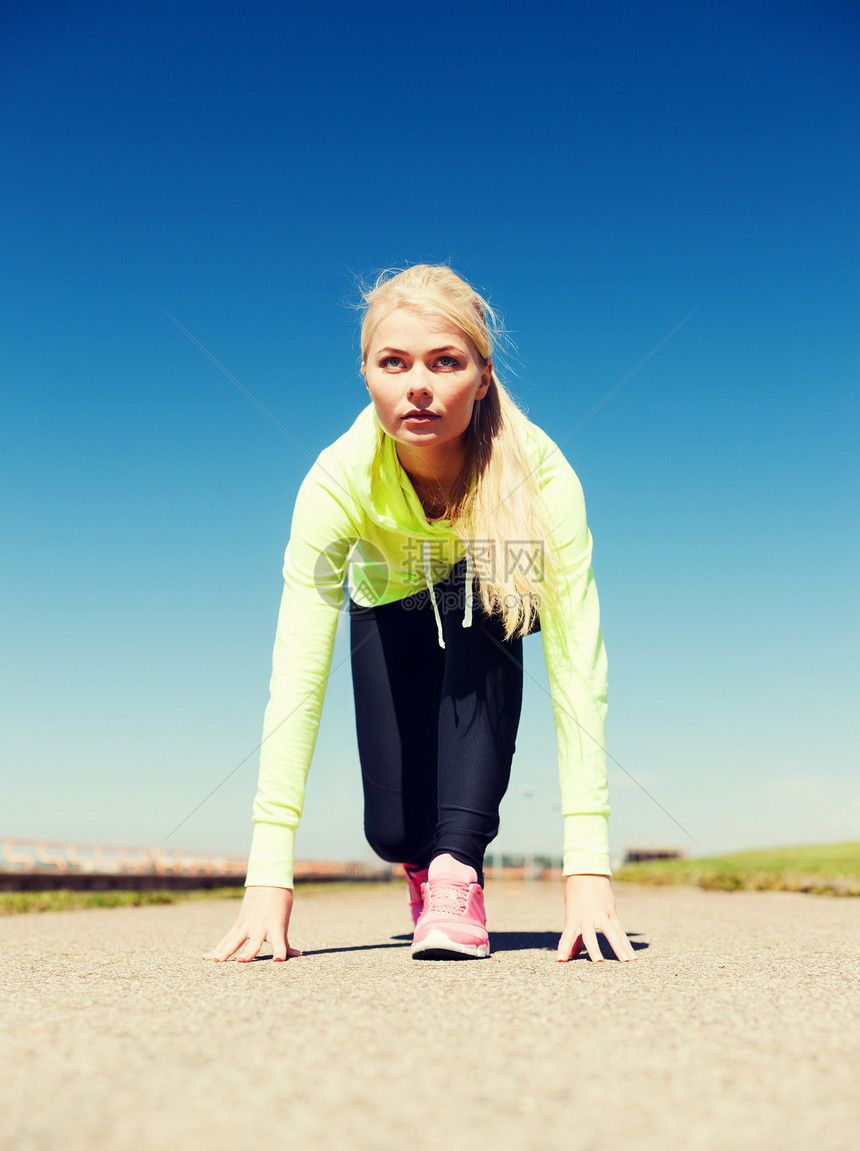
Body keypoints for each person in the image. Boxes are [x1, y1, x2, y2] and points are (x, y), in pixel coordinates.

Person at [204, 264, 636, 965]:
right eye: (394, 362)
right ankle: (422, 860)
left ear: (483, 375)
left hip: (487, 586)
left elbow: (578, 665)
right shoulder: (336, 479)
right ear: (366, 373)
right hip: (389, 601)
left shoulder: (541, 476)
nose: (419, 385)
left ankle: (456, 872)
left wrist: (587, 867)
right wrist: (267, 876)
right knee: (396, 830)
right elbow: (297, 676)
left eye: (445, 361)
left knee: (497, 584)